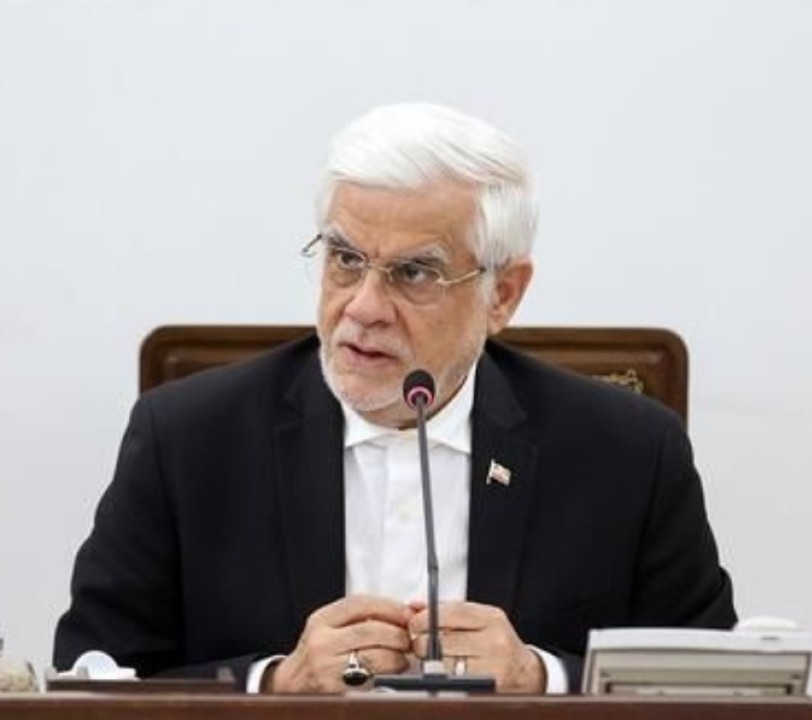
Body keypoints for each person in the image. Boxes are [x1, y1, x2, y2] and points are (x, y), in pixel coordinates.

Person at [53, 102, 736, 694]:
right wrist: (275, 682)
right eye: (346, 259)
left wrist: (542, 677)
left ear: (502, 294)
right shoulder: (187, 439)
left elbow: (716, 687)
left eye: (414, 273)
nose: (363, 308)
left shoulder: (628, 453)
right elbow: (91, 677)